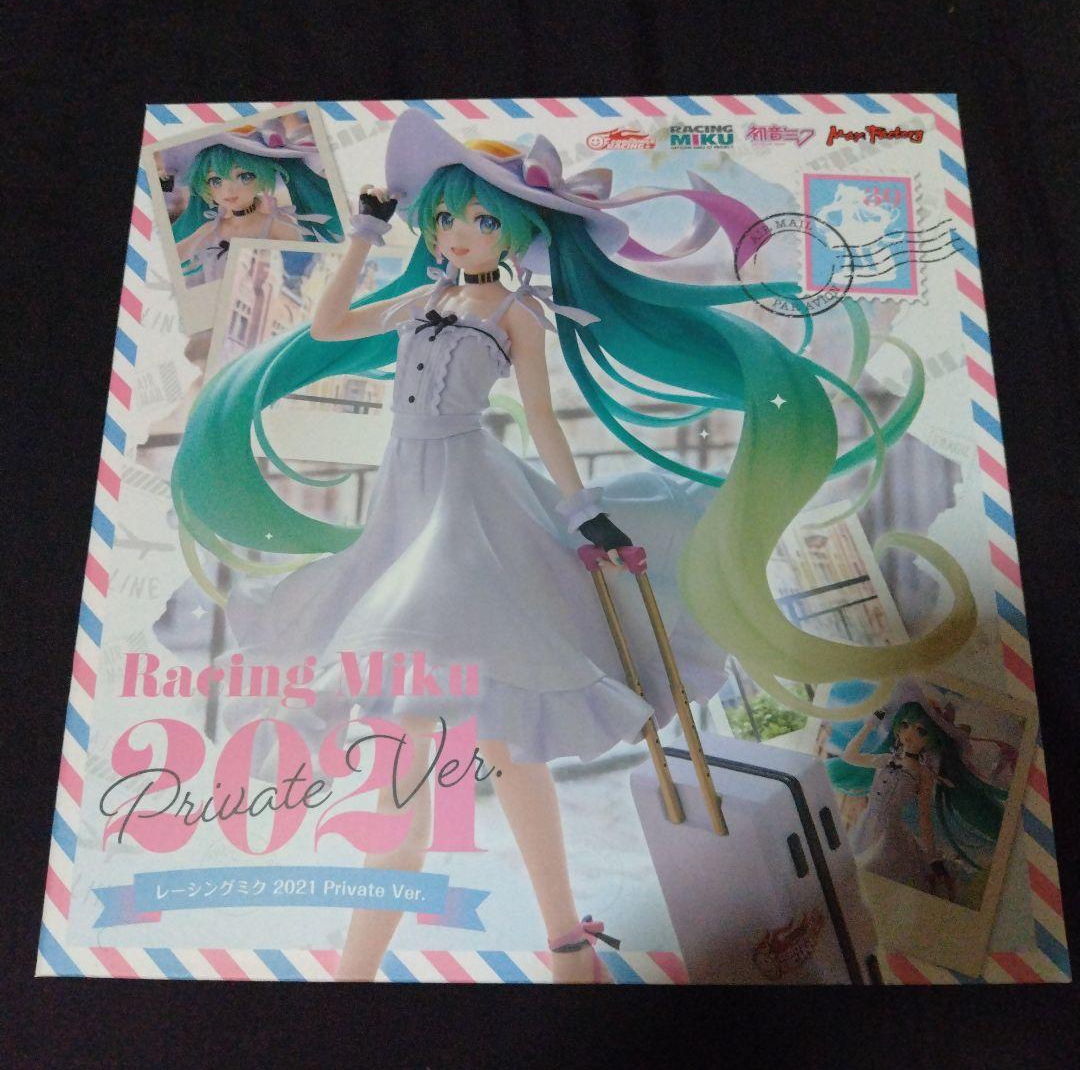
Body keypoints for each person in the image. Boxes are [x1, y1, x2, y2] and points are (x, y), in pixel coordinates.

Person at [170, 109, 977, 981]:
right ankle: (508, 955)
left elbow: (544, 420)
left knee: (473, 729)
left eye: (483, 218)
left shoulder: (517, 313)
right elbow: (329, 328)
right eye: (445, 217)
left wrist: (585, 509)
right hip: (407, 508)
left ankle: (458, 959)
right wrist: (364, 232)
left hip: (468, 516)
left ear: (518, 231)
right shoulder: (422, 300)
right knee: (478, 744)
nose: (460, 232)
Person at [827, 696, 1007, 899]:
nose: (909, 734)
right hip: (865, 827)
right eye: (905, 725)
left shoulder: (923, 773)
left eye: (921, 731)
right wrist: (873, 721)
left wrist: (932, 856)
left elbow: (924, 816)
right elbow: (849, 756)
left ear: (931, 739)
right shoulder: (886, 759)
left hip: (890, 835)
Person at [170, 120, 343, 285]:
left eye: (244, 177)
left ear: (262, 178)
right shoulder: (211, 229)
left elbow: (307, 262)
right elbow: (170, 259)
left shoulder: (276, 224)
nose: (228, 191)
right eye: (215, 181)